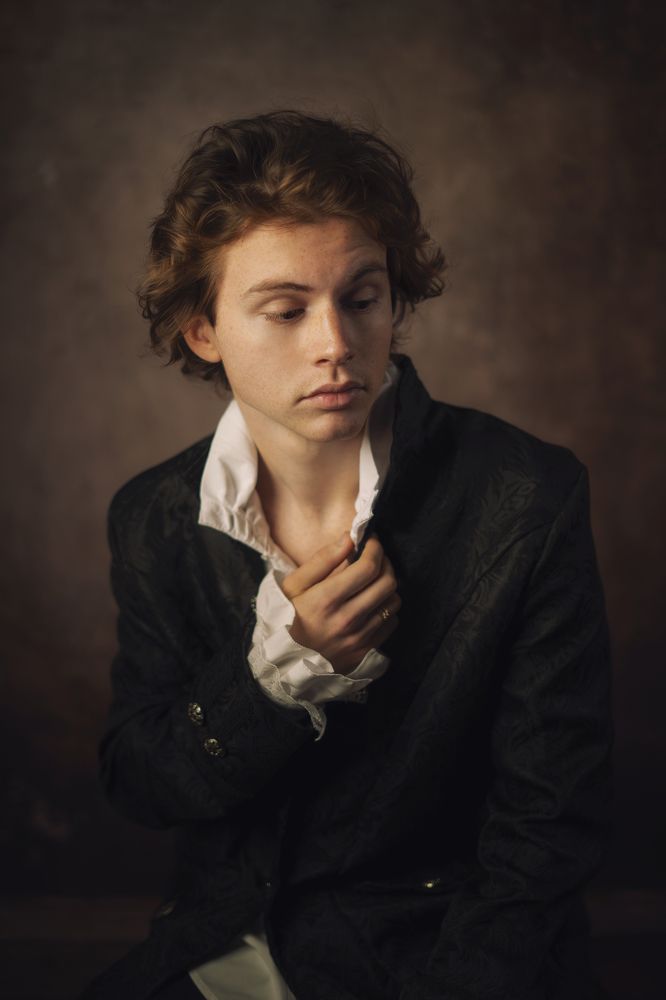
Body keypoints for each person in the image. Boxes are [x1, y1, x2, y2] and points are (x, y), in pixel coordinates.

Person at [83, 110, 613, 1000]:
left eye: (362, 299)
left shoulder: (528, 495)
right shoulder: (153, 518)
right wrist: (271, 680)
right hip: (227, 945)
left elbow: (548, 825)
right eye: (285, 310)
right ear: (203, 329)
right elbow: (142, 781)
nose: (335, 345)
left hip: (441, 952)